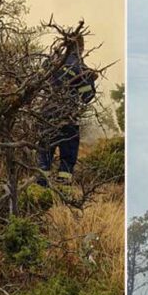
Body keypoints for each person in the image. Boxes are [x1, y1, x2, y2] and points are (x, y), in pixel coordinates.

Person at [38, 34, 96, 186]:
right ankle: (63, 192)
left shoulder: (52, 62)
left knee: (44, 154)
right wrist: (90, 79)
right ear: (81, 48)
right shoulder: (82, 70)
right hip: (68, 118)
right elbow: (86, 97)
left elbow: (39, 80)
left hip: (47, 115)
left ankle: (40, 192)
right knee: (67, 158)